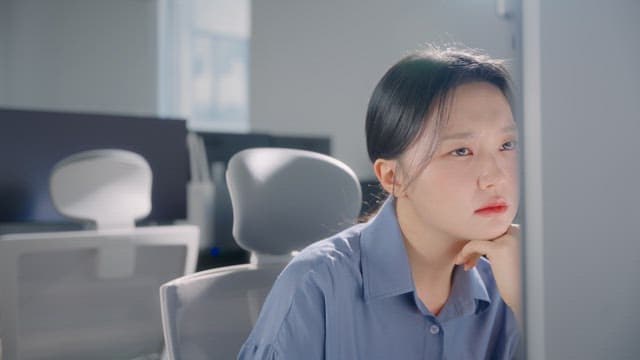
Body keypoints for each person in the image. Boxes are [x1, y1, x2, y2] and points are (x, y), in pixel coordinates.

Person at [238, 46, 522, 359]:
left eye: (507, 145)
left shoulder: (510, 285)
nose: (496, 176)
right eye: (461, 151)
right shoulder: (317, 283)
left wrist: (529, 305)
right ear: (392, 177)